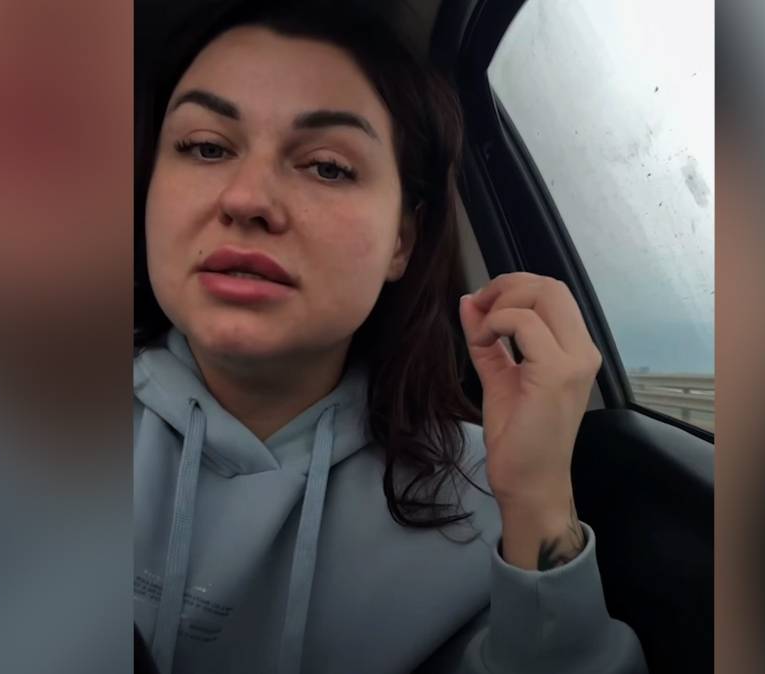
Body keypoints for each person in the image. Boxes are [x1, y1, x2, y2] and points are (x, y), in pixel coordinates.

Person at [133, 2, 647, 672]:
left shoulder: (483, 490)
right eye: (206, 147)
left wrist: (538, 500)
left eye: (327, 166)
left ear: (401, 241)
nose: (247, 198)